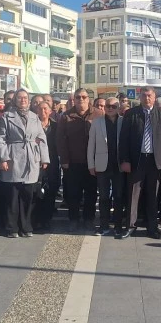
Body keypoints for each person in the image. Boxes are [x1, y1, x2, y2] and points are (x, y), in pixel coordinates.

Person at [118, 86, 161, 239]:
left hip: (155, 161)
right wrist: (124, 160)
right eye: (144, 95)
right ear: (140, 97)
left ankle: (152, 228)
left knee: (153, 196)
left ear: (154, 97)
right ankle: (130, 226)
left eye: (149, 95)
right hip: (136, 160)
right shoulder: (131, 114)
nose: (147, 98)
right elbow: (123, 139)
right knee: (133, 195)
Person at [0, 89, 49, 238]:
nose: (23, 100)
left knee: (28, 194)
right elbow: (1, 139)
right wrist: (3, 158)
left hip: (31, 157)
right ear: (15, 100)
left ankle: (26, 227)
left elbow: (42, 138)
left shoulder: (34, 116)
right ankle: (12, 228)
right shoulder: (7, 116)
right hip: (13, 156)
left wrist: (44, 158)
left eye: (25, 98)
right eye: (20, 98)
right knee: (13, 195)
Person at [57, 88, 99, 232]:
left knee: (91, 193)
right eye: (78, 97)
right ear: (74, 99)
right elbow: (60, 139)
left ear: (89, 99)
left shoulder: (98, 114)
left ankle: (89, 219)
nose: (81, 99)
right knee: (73, 193)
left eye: (84, 97)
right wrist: (64, 159)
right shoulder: (66, 116)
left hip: (92, 163)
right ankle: (73, 219)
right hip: (72, 162)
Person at [88, 96, 124, 236]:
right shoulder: (97, 122)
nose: (110, 108)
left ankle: (118, 225)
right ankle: (104, 225)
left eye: (113, 106)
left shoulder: (123, 122)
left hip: (119, 166)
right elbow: (91, 145)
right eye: (108, 106)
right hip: (102, 165)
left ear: (118, 108)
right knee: (103, 197)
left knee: (118, 196)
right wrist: (91, 164)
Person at [33, 101, 60, 232]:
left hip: (52, 162)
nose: (43, 111)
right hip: (35, 161)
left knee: (51, 190)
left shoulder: (56, 126)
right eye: (40, 109)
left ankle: (47, 219)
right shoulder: (32, 125)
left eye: (45, 109)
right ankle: (36, 219)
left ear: (50, 111)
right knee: (36, 191)